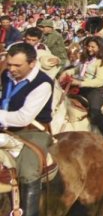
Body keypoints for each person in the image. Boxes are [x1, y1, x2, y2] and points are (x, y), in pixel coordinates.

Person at [0, 43, 53, 216]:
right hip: (3, 127)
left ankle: (29, 212)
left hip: (30, 131)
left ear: (31, 63)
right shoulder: (6, 75)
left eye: (17, 65)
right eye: (9, 64)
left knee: (29, 170)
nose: (12, 69)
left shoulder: (43, 83)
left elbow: (24, 117)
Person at [63, 36, 103, 142]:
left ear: (100, 48)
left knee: (95, 111)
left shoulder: (102, 62)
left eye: (93, 47)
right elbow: (78, 69)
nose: (90, 49)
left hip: (94, 90)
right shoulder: (85, 58)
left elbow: (99, 81)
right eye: (88, 46)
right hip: (80, 86)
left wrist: (80, 82)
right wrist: (67, 72)